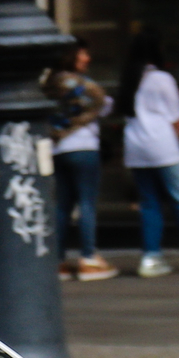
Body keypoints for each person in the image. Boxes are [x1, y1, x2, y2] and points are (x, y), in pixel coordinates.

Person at [118, 36, 179, 278]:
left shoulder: (129, 79)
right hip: (162, 145)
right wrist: (178, 148)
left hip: (135, 146)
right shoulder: (162, 78)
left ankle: (151, 256)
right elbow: (178, 118)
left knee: (149, 204)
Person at [43, 39, 112, 281]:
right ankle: (88, 258)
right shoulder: (84, 86)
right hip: (84, 146)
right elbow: (104, 104)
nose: (87, 59)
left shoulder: (49, 83)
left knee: (62, 205)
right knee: (86, 203)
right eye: (83, 55)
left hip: (58, 148)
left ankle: (58, 260)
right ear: (72, 56)